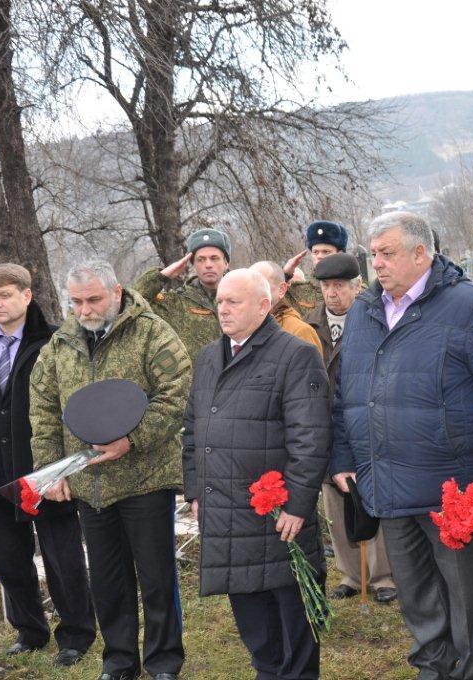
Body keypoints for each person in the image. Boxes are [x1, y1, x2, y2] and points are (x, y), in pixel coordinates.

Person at [331, 211, 473, 680]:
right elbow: (346, 393)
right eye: (373, 254)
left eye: (387, 253)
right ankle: (433, 667)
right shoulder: (364, 310)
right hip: (387, 480)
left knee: (465, 593)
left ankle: (471, 672)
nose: (377, 264)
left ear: (421, 253)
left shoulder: (471, 306)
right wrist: (343, 457)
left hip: (452, 486)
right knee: (416, 592)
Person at [31, 261, 192, 680]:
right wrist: (51, 471)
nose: (84, 310)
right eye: (76, 301)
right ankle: (119, 662)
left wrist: (131, 440)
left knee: (156, 578)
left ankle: (163, 661)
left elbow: (176, 395)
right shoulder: (60, 345)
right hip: (91, 486)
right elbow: (44, 409)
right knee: (107, 580)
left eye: (93, 299)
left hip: (146, 479)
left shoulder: (152, 332)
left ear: (116, 292)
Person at [183, 268, 331, 679]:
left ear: (264, 306)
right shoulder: (208, 357)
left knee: (292, 622)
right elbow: (193, 430)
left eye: (234, 302)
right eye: (219, 301)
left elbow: (311, 437)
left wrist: (297, 504)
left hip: (277, 516)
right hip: (227, 514)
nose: (223, 309)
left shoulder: (295, 355)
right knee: (254, 624)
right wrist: (196, 491)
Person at [0, 264, 95, 666]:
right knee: (10, 561)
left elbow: (71, 406)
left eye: (5, 295)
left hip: (43, 472)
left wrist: (67, 468)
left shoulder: (53, 342)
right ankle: (30, 631)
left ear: (26, 296)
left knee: (62, 559)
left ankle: (76, 636)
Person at [305, 253, 397, 604]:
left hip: (363, 420)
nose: (332, 293)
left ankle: (383, 575)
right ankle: (350, 574)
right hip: (324, 424)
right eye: (326, 286)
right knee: (335, 503)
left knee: (369, 496)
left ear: (357, 286)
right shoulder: (310, 324)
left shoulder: (372, 319)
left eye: (340, 286)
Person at [132, 227, 231, 358]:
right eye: (201, 259)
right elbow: (133, 301)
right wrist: (163, 275)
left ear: (226, 263)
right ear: (193, 264)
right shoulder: (176, 303)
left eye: (214, 258)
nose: (208, 264)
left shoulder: (242, 297)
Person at [250, 260, 325, 355]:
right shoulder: (242, 326)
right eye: (248, 285)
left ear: (281, 290)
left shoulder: (300, 332)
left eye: (261, 284)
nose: (252, 290)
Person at [282, 220, 351, 316]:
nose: (319, 256)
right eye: (315, 252)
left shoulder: (354, 289)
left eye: (326, 252)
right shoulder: (300, 292)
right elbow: (271, 299)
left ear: (340, 254)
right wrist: (285, 274)